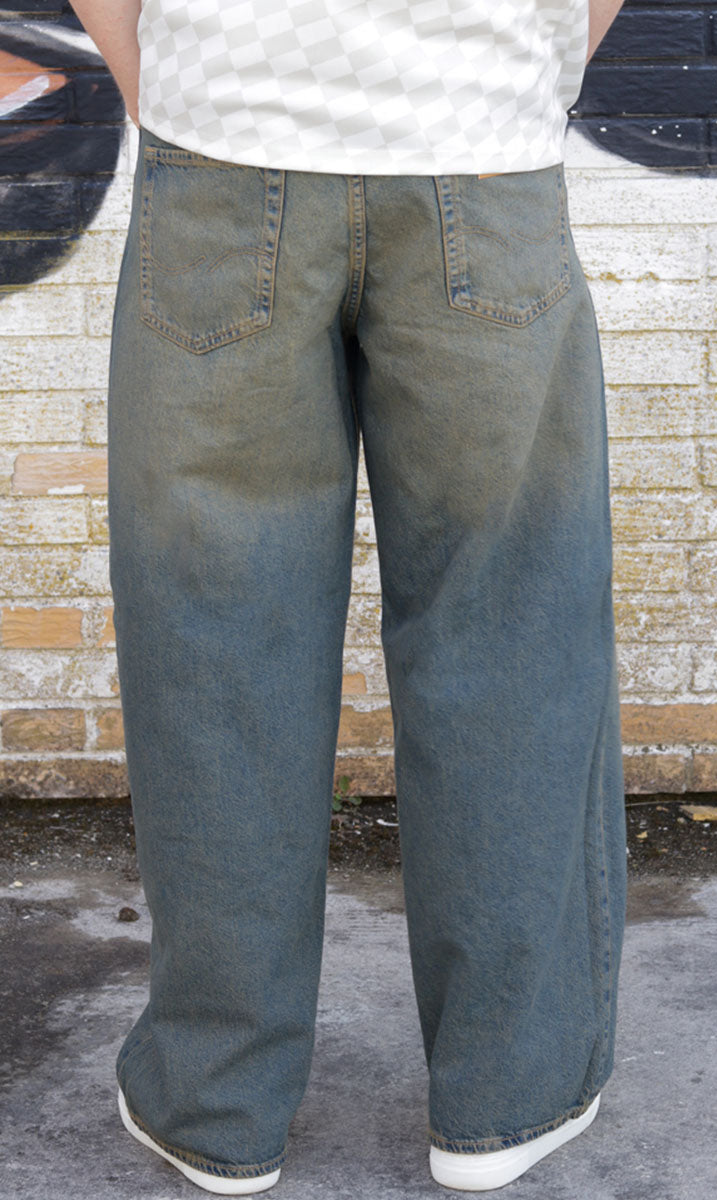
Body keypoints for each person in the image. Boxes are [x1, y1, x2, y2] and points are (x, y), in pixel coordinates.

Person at [71, 1, 628, 1193]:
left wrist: (173, 84)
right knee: (509, 630)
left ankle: (216, 1103)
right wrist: (514, 71)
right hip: (481, 148)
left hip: (223, 150)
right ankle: (510, 1092)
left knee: (216, 641)